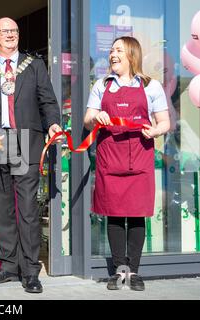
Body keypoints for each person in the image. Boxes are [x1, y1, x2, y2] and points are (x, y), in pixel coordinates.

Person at [0, 17, 62, 294]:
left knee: (28, 210)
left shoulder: (33, 65)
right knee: (1, 211)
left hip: (27, 142)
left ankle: (30, 271)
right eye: (4, 31)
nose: (10, 35)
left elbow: (47, 99)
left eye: (14, 31)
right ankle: (9, 267)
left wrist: (53, 123)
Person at [84, 36, 170, 291]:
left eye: (118, 50)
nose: (112, 54)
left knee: (136, 217)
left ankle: (134, 272)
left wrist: (154, 132)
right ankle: (118, 271)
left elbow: (164, 122)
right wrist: (95, 117)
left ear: (131, 54)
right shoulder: (101, 85)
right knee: (114, 215)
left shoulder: (151, 86)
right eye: (111, 50)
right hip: (110, 158)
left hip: (139, 159)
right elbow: (87, 119)